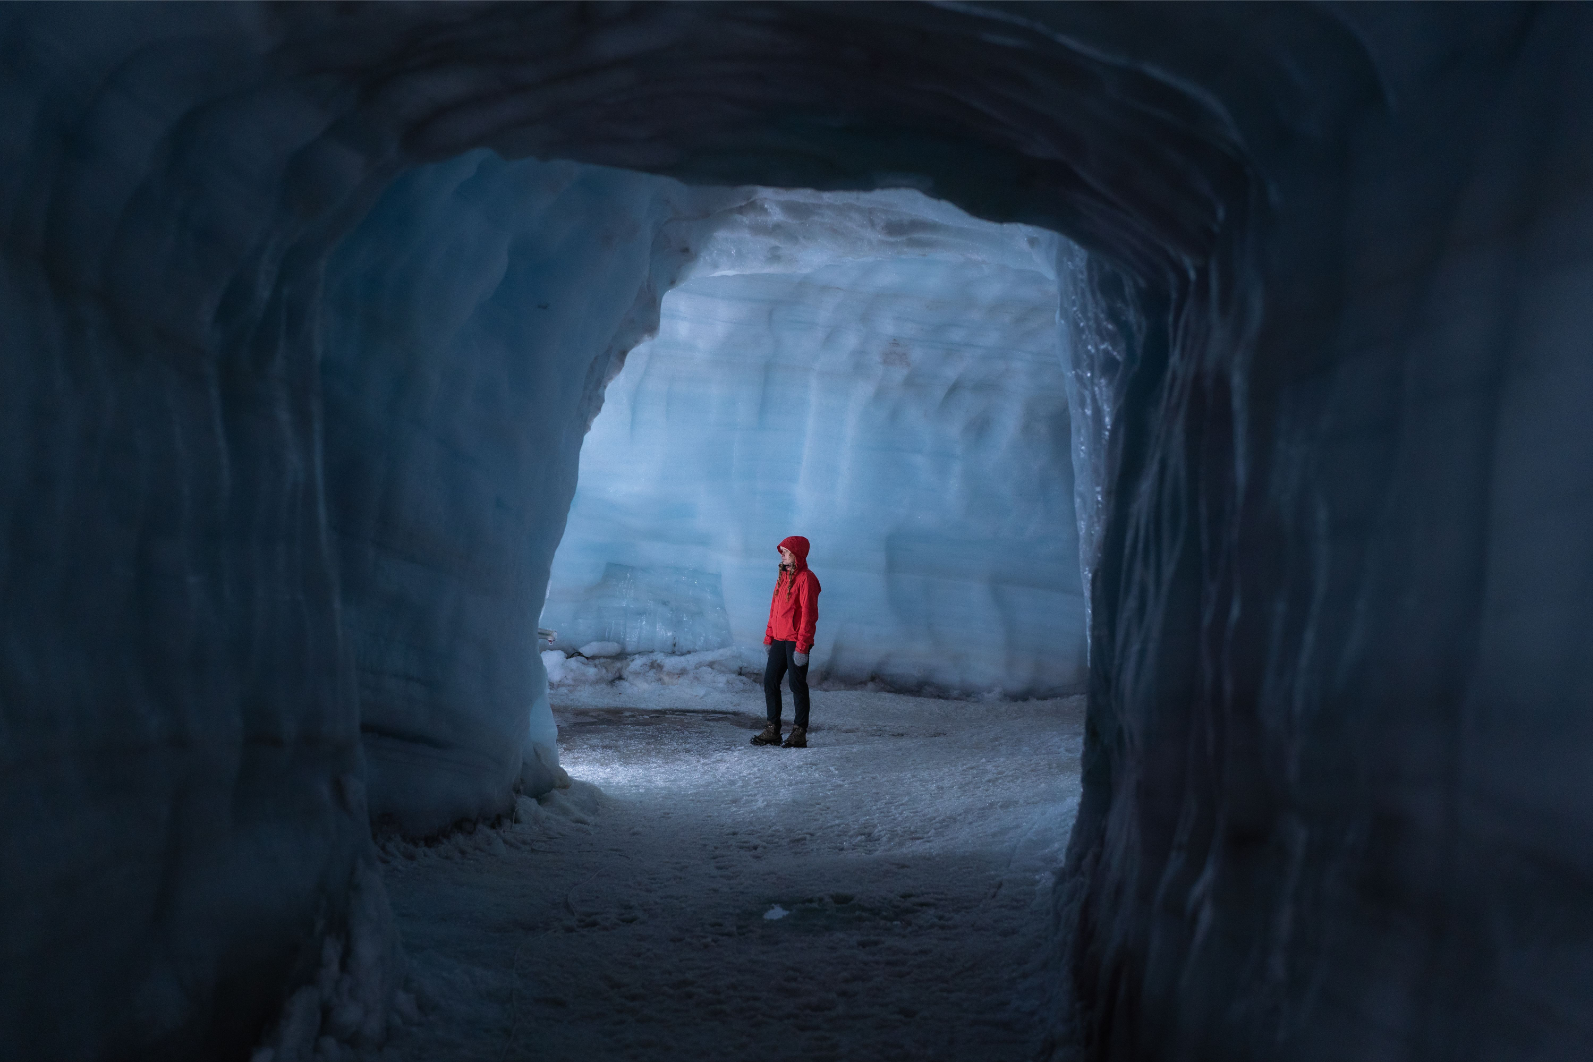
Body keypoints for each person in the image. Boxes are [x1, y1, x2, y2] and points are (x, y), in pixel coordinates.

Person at [752, 535, 820, 748]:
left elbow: (809, 615)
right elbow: (774, 611)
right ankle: (773, 729)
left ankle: (799, 733)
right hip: (779, 639)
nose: (783, 555)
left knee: (796, 684)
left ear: (797, 554)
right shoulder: (782, 576)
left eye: (787, 552)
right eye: (782, 551)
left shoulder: (807, 579)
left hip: (796, 641)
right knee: (770, 681)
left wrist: (802, 646)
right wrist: (768, 637)